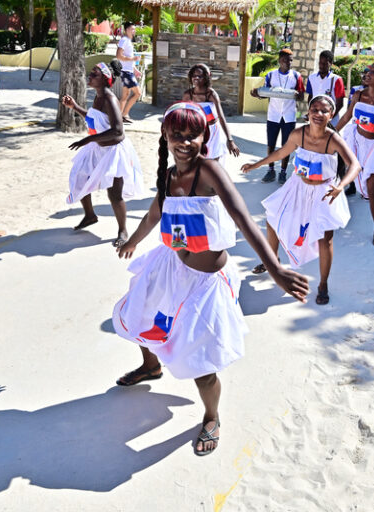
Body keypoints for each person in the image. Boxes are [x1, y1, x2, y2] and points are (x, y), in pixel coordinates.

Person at [112, 102, 309, 456]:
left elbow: (243, 218)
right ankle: (150, 366)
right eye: (177, 136)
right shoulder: (169, 176)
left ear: (205, 136)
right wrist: (133, 240)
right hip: (171, 267)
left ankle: (211, 417)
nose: (185, 142)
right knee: (137, 315)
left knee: (201, 364)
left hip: (204, 282)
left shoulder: (209, 171)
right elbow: (156, 212)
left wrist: (275, 267)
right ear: (166, 136)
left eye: (193, 135)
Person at [241, 95, 360, 304]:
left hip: (324, 191)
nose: (318, 114)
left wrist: (340, 186)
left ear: (331, 115)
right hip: (298, 186)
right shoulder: (299, 134)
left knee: (325, 239)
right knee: (273, 218)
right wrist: (256, 165)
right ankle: (273, 260)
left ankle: (323, 284)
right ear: (308, 112)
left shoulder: (333, 139)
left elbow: (355, 165)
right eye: (314, 109)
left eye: (324, 111)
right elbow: (281, 153)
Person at [62, 61, 143, 246]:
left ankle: (123, 231)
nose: (90, 76)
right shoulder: (98, 97)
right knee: (80, 177)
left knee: (114, 194)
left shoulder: (109, 99)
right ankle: (90, 216)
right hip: (98, 147)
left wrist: (87, 139)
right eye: (91, 73)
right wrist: (75, 107)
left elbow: (117, 131)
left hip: (113, 151)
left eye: (95, 74)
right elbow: (94, 119)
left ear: (105, 79)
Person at [335, 62, 374, 246]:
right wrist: (329, 134)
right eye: (368, 70)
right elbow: (347, 117)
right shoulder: (358, 95)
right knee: (335, 174)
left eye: (373, 72)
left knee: (373, 191)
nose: (368, 74)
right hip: (355, 141)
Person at [250, 49, 305, 184]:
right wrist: (257, 94)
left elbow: (302, 96)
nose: (289, 62)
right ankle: (270, 170)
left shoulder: (296, 76)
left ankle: (283, 172)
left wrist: (298, 96)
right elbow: (266, 93)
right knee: (271, 144)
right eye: (286, 60)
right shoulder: (271, 75)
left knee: (287, 145)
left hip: (289, 115)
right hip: (273, 115)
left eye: (291, 60)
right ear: (280, 60)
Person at [181, 64, 240, 166]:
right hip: (196, 133)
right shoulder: (188, 95)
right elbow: (184, 117)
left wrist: (230, 140)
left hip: (213, 132)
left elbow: (221, 117)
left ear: (206, 78)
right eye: (194, 75)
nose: (196, 78)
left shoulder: (211, 94)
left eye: (200, 76)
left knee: (213, 165)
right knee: (196, 163)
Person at [306, 50, 345, 127]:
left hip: (331, 121)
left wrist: (329, 117)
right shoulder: (311, 78)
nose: (321, 66)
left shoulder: (337, 79)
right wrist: (311, 112)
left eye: (325, 64)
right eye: (320, 63)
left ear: (330, 63)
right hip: (315, 119)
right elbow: (310, 97)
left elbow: (340, 103)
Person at [116, 22, 141, 124]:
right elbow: (118, 56)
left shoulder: (128, 41)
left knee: (125, 95)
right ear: (126, 30)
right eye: (132, 29)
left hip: (128, 71)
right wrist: (133, 58)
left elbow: (128, 58)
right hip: (126, 72)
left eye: (134, 29)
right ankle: (124, 115)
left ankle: (121, 116)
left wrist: (135, 69)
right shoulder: (124, 40)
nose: (134, 31)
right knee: (137, 93)